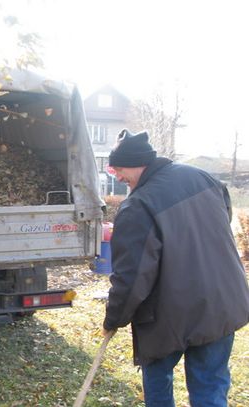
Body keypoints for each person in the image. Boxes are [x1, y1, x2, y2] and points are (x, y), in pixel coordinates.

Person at [102, 129, 249, 407]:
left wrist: (114, 318)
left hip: (167, 315)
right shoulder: (203, 178)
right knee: (211, 387)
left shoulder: (137, 205)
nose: (117, 177)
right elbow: (216, 225)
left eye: (119, 169)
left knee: (158, 384)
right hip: (221, 303)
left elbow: (131, 278)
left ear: (136, 163)